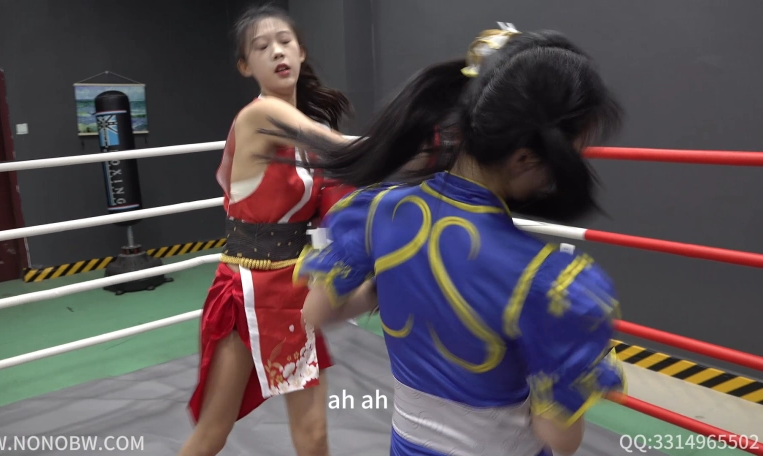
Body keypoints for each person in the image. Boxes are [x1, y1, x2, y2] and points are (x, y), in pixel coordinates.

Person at [259, 25, 626, 456]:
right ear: (525, 157)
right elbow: (559, 439)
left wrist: (397, 281)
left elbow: (317, 312)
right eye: (567, 157)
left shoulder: (379, 212)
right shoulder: (545, 280)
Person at [179, 4, 356, 456]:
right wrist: (418, 140)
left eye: (284, 41)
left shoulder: (308, 138)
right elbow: (342, 149)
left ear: (301, 52)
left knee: (313, 435)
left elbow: (332, 202)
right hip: (247, 291)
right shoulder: (257, 117)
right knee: (213, 432)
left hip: (293, 290)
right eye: (262, 47)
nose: (277, 51)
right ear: (246, 66)